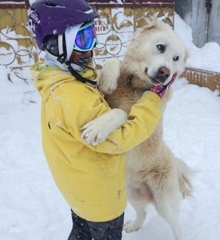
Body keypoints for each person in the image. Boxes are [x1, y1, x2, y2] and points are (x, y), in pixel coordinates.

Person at [28, 0, 175, 239]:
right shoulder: (74, 98)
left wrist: (111, 67)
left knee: (81, 233)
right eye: (83, 39)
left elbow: (93, 89)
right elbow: (123, 139)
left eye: (93, 35)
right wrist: (153, 100)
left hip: (78, 191)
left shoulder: (56, 81)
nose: (92, 47)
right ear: (56, 45)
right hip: (102, 201)